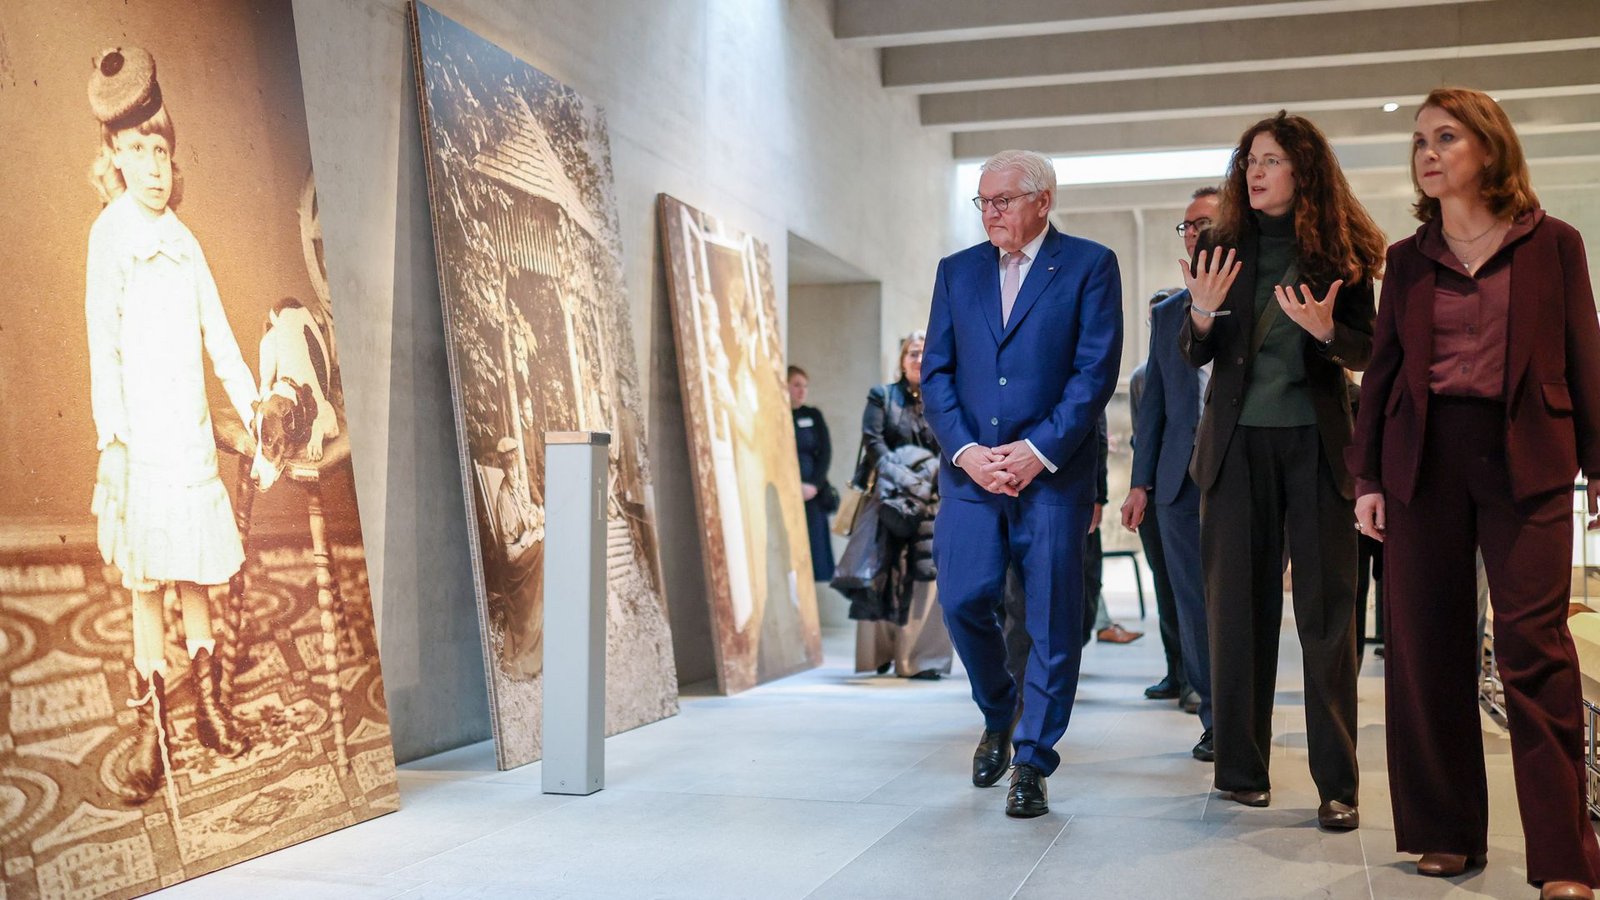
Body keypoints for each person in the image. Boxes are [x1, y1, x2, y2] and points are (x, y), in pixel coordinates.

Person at [1350, 87, 1600, 899]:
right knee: (1426, 650)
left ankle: (1564, 856)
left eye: (1446, 136)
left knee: (1536, 652)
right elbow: (1383, 374)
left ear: (1488, 148)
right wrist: (1367, 479)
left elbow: (1585, 357)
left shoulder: (1553, 245)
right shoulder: (1408, 258)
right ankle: (1446, 832)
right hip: (1423, 464)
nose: (1427, 151)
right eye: (1420, 139)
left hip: (1526, 458)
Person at [1179, 111, 1384, 828]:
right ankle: (1241, 770)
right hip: (1234, 451)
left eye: (1269, 160)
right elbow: (1193, 351)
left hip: (1319, 447)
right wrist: (1200, 317)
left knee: (1329, 617)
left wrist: (1329, 332)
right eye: (1249, 161)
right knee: (1236, 610)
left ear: (1304, 170)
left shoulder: (1347, 252)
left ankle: (1338, 787)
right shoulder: (1220, 243)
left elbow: (1368, 352)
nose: (1255, 172)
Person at [922, 149, 1122, 818]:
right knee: (962, 601)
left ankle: (1033, 760)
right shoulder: (957, 273)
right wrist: (969, 452)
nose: (990, 213)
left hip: (1052, 478)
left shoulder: (1091, 266)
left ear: (1043, 199)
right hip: (975, 477)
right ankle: (998, 710)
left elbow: (1094, 374)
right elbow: (938, 375)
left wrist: (1038, 451)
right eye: (982, 202)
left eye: (1001, 200)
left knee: (1053, 621)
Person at [85, 47, 256, 804]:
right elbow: (104, 346)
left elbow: (218, 336)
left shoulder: (185, 243)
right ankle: (155, 724)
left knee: (195, 573)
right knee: (147, 582)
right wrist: (113, 445)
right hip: (141, 446)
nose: (154, 167)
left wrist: (252, 408)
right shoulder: (111, 237)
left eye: (163, 150)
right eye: (138, 151)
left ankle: (210, 703)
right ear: (113, 157)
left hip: (188, 440)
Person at [1123, 187, 1224, 762]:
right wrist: (1140, 483)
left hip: (1240, 476)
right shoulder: (1166, 316)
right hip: (1177, 483)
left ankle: (1245, 712)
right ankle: (1213, 718)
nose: (1191, 233)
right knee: (1191, 603)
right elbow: (1155, 405)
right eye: (1185, 227)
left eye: (1203, 223)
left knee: (1238, 603)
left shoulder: (1254, 298)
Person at [844, 333, 952, 679]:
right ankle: (879, 653)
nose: (919, 359)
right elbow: (873, 441)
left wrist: (925, 484)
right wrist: (904, 480)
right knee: (880, 571)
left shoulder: (945, 396)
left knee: (928, 576)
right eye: (913, 353)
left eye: (925, 353)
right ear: (902, 359)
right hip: (887, 499)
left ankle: (922, 660)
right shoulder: (882, 396)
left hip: (933, 501)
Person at [1127, 288, 1186, 704]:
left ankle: (1203, 679)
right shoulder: (1141, 376)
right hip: (1154, 490)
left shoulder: (1200, 364)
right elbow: (1141, 435)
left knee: (1194, 591)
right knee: (1165, 586)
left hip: (1192, 487)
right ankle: (1177, 671)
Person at [493, 436, 544, 680]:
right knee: (543, 549)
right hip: (515, 566)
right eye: (510, 469)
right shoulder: (504, 498)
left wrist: (535, 519)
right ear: (504, 468)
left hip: (523, 551)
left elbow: (528, 519)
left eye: (515, 468)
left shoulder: (518, 488)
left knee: (546, 542)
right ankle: (533, 644)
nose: (515, 474)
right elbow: (511, 553)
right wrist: (531, 538)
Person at [788, 366, 836, 583]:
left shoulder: (812, 415)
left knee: (813, 551)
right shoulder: (778, 416)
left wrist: (813, 485)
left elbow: (825, 452)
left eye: (805, 386)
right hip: (788, 491)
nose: (802, 390)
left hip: (811, 494)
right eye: (796, 385)